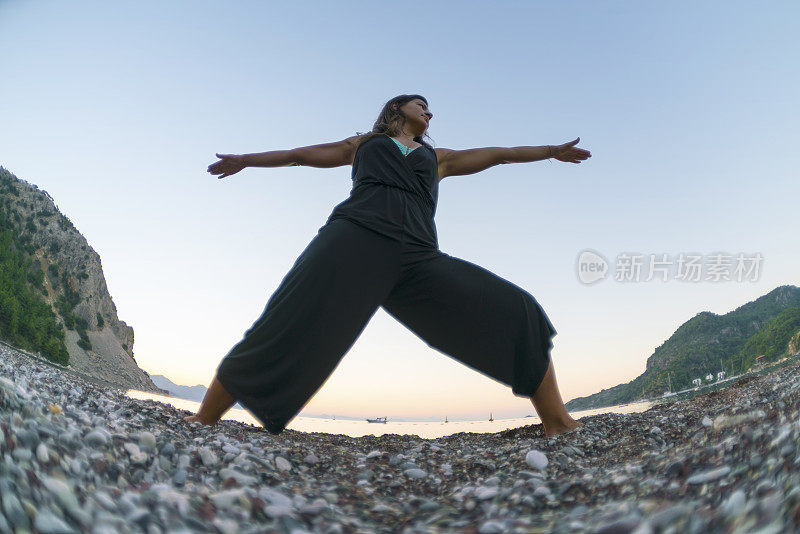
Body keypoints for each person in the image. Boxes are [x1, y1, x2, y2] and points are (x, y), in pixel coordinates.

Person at [184, 94, 591, 437]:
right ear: (397, 109)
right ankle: (204, 418)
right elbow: (298, 156)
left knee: (516, 308)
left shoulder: (438, 158)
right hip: (355, 236)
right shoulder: (362, 144)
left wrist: (550, 152)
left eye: (430, 110)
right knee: (288, 318)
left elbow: (500, 155)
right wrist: (246, 160)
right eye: (421, 105)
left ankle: (556, 422)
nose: (429, 113)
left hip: (417, 255)